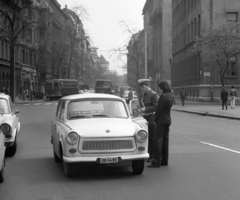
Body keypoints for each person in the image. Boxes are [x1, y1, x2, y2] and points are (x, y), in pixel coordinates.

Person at [148, 80, 174, 168]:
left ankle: (156, 161)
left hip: (161, 121)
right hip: (167, 120)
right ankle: (164, 160)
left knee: (157, 140)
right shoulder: (171, 95)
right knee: (165, 141)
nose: (159, 89)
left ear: (162, 87)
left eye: (160, 88)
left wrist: (155, 119)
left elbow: (159, 110)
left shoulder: (163, 96)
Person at [138, 79, 159, 163]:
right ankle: (146, 153)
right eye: (141, 88)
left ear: (147, 86)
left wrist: (145, 109)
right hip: (144, 118)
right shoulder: (142, 95)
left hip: (151, 118)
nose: (142, 89)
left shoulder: (154, 95)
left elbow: (156, 107)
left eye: (143, 87)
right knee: (144, 137)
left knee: (152, 138)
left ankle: (152, 155)